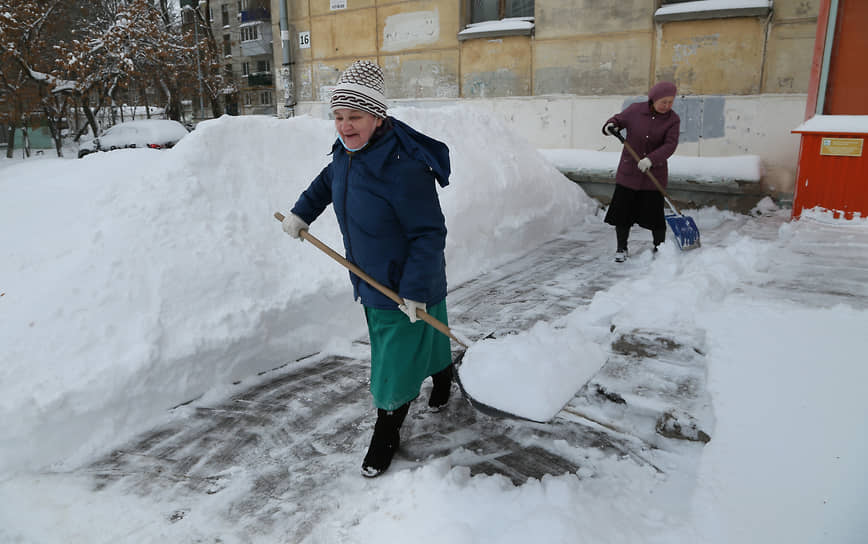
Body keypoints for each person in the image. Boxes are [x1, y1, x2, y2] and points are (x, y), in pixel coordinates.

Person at [281, 60, 454, 478]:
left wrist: (413, 289)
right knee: (430, 332)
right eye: (338, 117)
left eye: (354, 117)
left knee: (392, 360)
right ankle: (444, 375)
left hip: (402, 284)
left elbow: (429, 233)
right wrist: (302, 213)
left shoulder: (405, 169)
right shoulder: (347, 154)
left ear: (378, 116)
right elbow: (326, 182)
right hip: (370, 275)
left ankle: (387, 429)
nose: (344, 126)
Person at [602, 81, 680, 262]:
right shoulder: (635, 110)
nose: (667, 106)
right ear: (653, 99)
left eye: (670, 102)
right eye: (664, 102)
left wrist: (651, 159)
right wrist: (610, 125)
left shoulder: (672, 119)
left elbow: (670, 144)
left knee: (655, 216)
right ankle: (621, 248)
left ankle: (659, 247)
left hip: (654, 176)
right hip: (629, 172)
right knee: (623, 214)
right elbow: (619, 120)